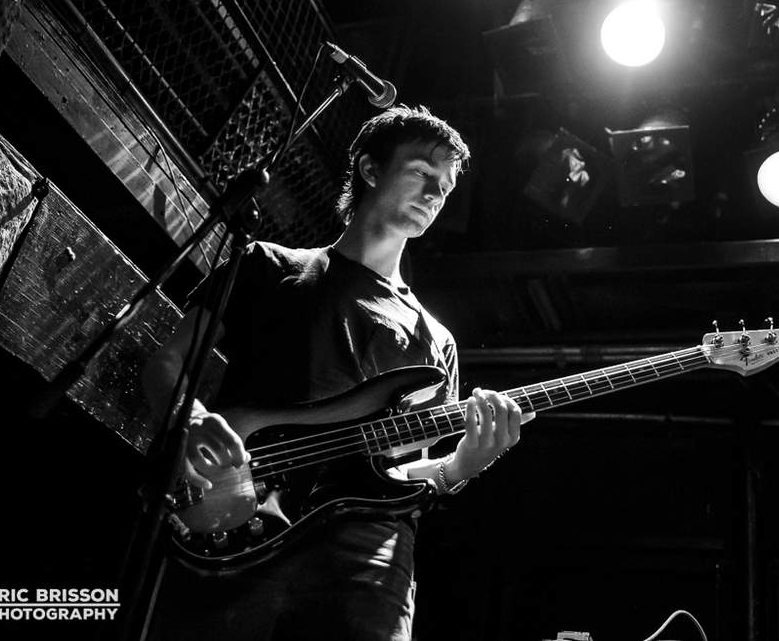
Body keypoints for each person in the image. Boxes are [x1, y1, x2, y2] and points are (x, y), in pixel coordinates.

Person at [142, 104, 530, 640]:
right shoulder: (268, 265)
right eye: (422, 172)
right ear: (370, 169)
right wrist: (190, 419)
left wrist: (460, 465)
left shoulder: (436, 341)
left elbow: (398, 477)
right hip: (236, 519)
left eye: (445, 187)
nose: (435, 193)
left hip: (368, 559)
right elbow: (166, 361)